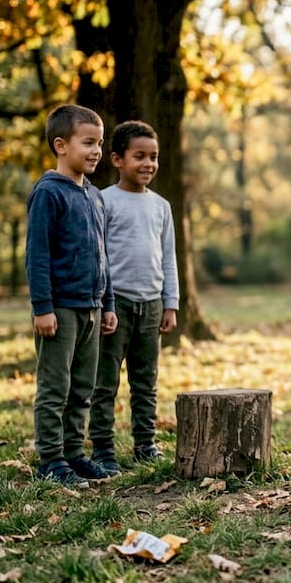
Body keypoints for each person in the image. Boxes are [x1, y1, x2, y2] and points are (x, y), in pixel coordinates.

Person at [25, 103, 118, 487]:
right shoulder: (49, 193)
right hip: (60, 309)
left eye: (99, 143)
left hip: (92, 307)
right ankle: (51, 459)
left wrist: (108, 303)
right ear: (61, 145)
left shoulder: (95, 196)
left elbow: (103, 254)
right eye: (88, 143)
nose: (96, 151)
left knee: (83, 388)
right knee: (55, 387)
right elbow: (37, 254)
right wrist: (42, 308)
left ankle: (74, 454)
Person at [88, 120, 179, 475]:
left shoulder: (161, 206)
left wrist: (170, 302)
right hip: (116, 305)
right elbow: (99, 256)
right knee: (105, 382)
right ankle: (104, 449)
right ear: (116, 159)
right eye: (139, 156)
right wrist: (104, 303)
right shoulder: (103, 201)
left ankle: (145, 442)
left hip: (151, 304)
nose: (148, 164)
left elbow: (168, 256)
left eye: (153, 157)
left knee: (146, 381)